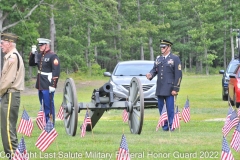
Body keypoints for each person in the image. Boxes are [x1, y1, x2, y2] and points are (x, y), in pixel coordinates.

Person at [146, 39, 182, 131]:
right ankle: (165, 126)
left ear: (169, 48)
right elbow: (155, 70)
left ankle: (171, 125)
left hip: (170, 88)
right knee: (161, 108)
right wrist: (150, 74)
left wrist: (176, 88)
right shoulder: (159, 58)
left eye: (164, 47)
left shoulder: (174, 58)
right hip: (160, 87)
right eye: (161, 47)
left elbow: (178, 75)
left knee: (170, 109)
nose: (162, 49)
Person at [0, 32, 25, 158]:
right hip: (9, 95)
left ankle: (15, 157)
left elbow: (7, 80)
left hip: (9, 95)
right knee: (8, 129)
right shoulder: (11, 56)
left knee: (8, 131)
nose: (1, 45)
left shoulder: (12, 58)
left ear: (10, 43)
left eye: (2, 43)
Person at [29, 38, 60, 125]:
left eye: (42, 45)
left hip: (47, 83)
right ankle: (45, 122)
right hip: (40, 83)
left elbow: (56, 71)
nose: (40, 47)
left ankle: (50, 124)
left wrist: (53, 85)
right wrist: (32, 53)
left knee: (48, 104)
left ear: (47, 45)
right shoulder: (39, 55)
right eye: (39, 46)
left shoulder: (53, 56)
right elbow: (31, 64)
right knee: (42, 104)